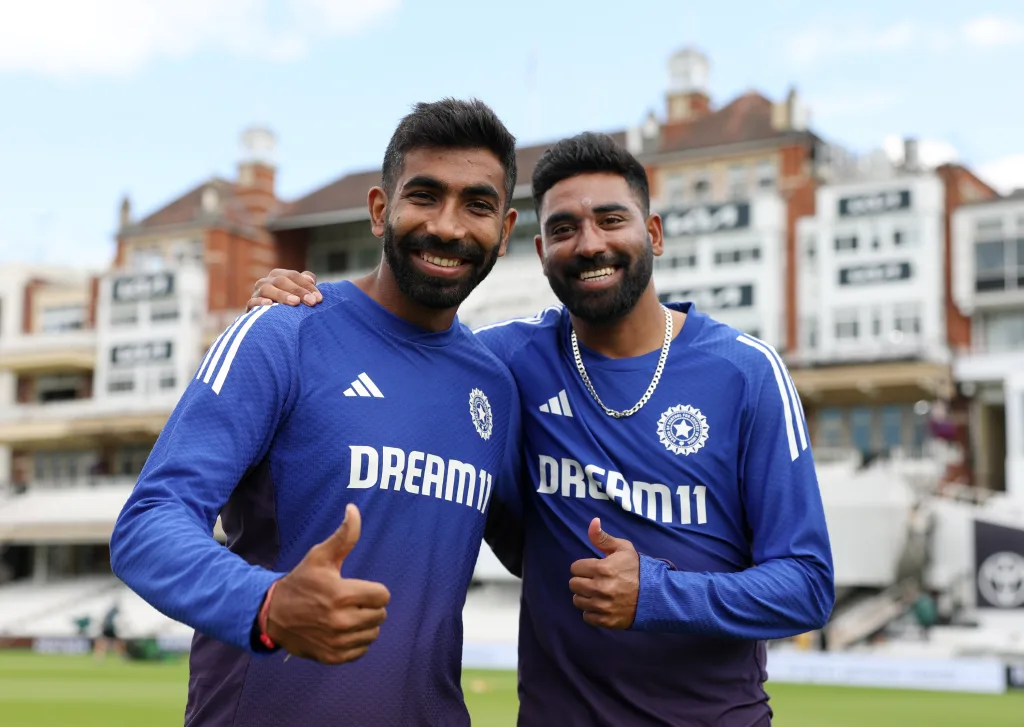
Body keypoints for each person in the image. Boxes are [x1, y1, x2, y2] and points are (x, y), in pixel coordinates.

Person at [251, 132, 835, 726]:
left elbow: (808, 586)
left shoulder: (746, 372)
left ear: (654, 234)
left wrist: (658, 593)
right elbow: (402, 348)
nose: (590, 243)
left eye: (612, 220)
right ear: (539, 249)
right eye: (563, 229)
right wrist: (299, 305)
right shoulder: (502, 362)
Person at [109, 98, 525, 727]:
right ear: (380, 210)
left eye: (477, 205)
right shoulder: (284, 331)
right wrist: (269, 604)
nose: (447, 226)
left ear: (506, 229)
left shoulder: (496, 387)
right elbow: (147, 525)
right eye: (424, 196)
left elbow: (539, 552)